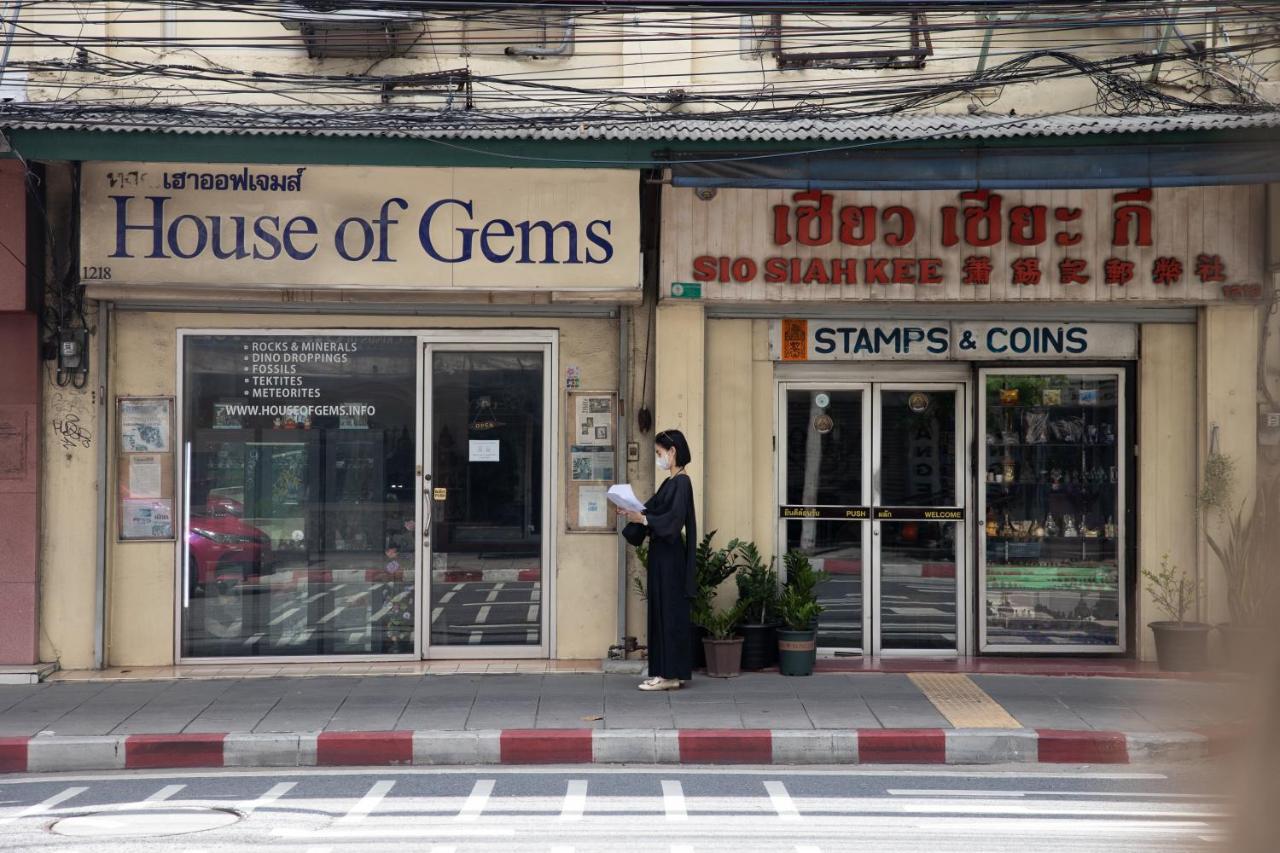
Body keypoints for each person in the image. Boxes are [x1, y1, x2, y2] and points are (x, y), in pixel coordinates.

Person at [624, 429, 696, 691]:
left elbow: (672, 522)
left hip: (669, 558)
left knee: (668, 612)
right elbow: (653, 508)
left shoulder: (682, 483)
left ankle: (668, 675)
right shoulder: (671, 483)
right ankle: (668, 674)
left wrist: (642, 519)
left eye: (659, 453)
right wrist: (633, 510)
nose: (658, 457)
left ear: (672, 451)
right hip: (663, 557)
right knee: (664, 612)